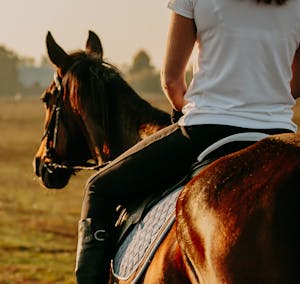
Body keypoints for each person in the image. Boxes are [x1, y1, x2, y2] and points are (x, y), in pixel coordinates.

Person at [75, 0, 300, 283]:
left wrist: (191, 106)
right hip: (278, 132)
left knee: (99, 189)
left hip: (207, 131)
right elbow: (295, 83)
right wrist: (265, 97)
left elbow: (171, 80)